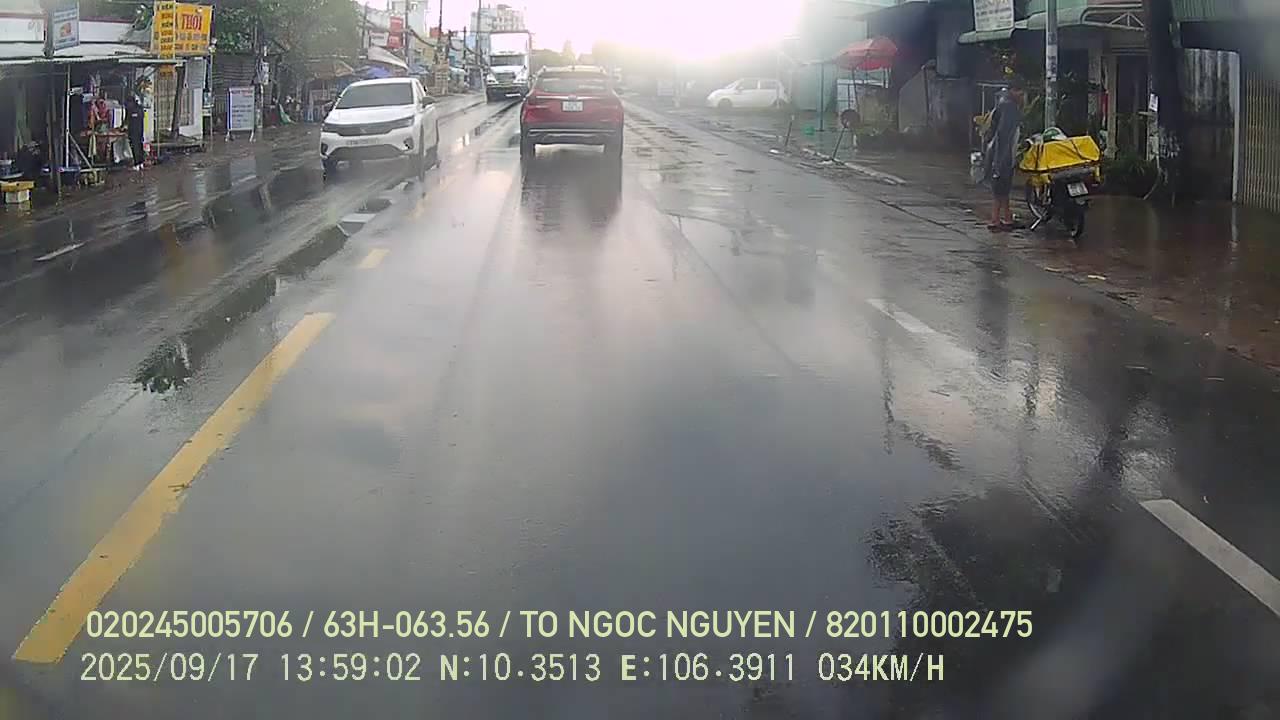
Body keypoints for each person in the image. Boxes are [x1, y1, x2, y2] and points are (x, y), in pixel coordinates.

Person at [983, 80, 1024, 232]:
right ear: (1013, 90)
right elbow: (1004, 135)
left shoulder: (1005, 103)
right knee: (1000, 189)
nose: (1022, 96)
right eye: (1020, 92)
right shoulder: (1009, 107)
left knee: (1004, 189)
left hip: (1002, 153)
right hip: (1002, 155)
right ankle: (994, 220)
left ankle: (1007, 218)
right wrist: (1000, 161)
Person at [124, 92, 145, 171]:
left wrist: (124, 127)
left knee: (135, 147)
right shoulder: (140, 109)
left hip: (133, 131)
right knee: (140, 146)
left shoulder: (131, 110)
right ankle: (141, 163)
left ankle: (137, 164)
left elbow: (127, 120)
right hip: (140, 130)